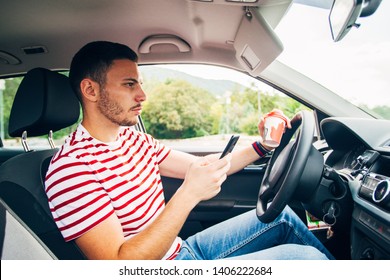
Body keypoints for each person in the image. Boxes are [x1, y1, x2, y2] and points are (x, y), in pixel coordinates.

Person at [45, 41, 334, 260]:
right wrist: (189, 193)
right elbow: (119, 265)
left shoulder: (134, 141)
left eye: (140, 84)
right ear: (91, 90)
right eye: (129, 84)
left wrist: (263, 145)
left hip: (181, 251)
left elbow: (209, 167)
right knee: (306, 260)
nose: (143, 95)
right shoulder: (70, 169)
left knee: (283, 217)